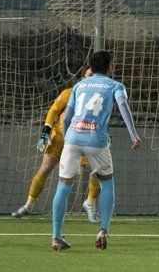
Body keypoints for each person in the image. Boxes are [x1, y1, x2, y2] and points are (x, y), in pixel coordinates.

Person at [51, 51, 141, 251]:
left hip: (73, 137)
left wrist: (68, 140)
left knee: (63, 186)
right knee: (106, 182)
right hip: (96, 140)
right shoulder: (115, 86)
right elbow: (123, 106)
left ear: (90, 68)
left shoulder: (79, 85)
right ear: (110, 66)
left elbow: (66, 118)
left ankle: (56, 237)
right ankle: (103, 230)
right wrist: (134, 135)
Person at [12, 69, 102, 221]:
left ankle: (90, 203)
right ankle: (28, 205)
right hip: (60, 138)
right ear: (82, 78)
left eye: (95, 76)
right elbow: (54, 110)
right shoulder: (70, 93)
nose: (92, 79)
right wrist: (46, 130)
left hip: (86, 139)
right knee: (45, 168)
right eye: (89, 75)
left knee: (99, 171)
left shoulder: (100, 97)